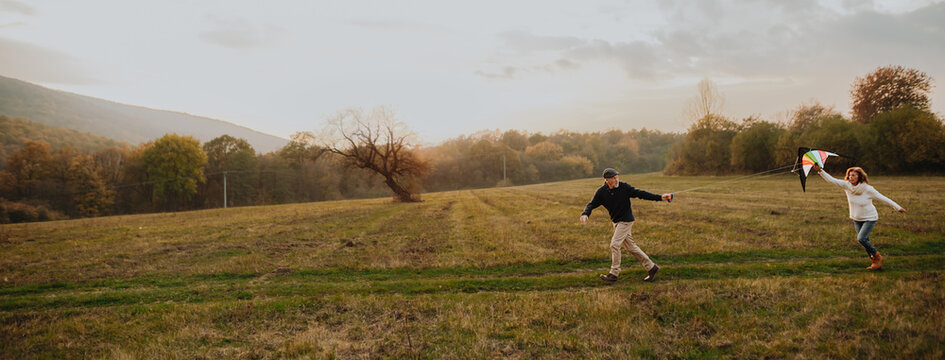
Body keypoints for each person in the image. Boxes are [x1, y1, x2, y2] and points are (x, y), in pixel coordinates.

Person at [581, 168, 673, 283]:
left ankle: (613, 274)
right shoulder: (601, 192)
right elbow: (592, 204)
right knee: (631, 248)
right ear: (607, 180)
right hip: (616, 222)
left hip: (626, 220)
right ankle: (652, 267)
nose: (616, 179)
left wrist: (660, 197)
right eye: (613, 178)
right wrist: (585, 213)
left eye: (616, 177)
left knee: (614, 244)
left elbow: (641, 194)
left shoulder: (624, 187)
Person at [813, 165, 906, 270]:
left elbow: (882, 198)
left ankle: (877, 256)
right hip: (857, 218)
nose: (850, 177)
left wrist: (897, 207)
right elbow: (832, 180)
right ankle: (875, 263)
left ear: (860, 177)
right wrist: (820, 171)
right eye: (849, 175)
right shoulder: (847, 185)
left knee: (861, 238)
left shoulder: (867, 189)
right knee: (865, 241)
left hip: (870, 218)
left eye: (853, 175)